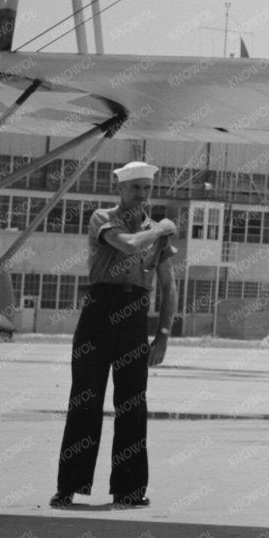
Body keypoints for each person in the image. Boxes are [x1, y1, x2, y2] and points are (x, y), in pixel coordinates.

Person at [52, 161, 177, 510]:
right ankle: (69, 487)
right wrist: (161, 228)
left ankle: (130, 489)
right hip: (98, 314)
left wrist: (163, 335)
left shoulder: (156, 231)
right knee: (85, 401)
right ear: (119, 189)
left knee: (133, 405)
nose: (142, 195)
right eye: (135, 188)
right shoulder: (102, 218)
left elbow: (169, 286)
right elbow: (131, 245)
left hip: (135, 317)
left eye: (147, 188)